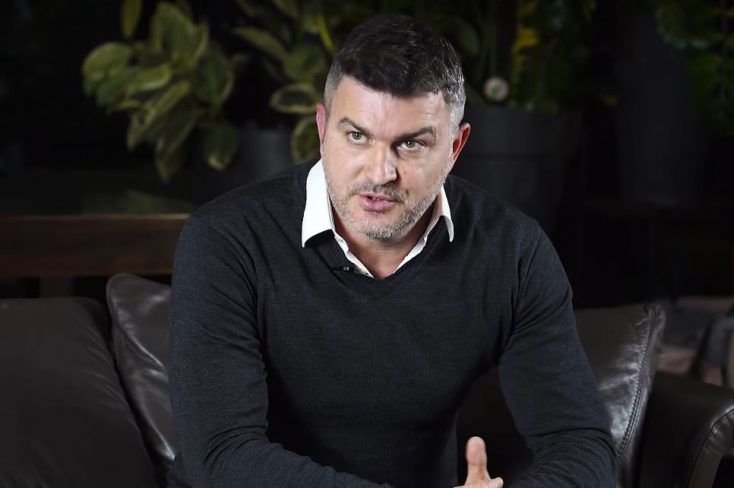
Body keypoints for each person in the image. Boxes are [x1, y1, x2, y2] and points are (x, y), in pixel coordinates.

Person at [168, 14, 616, 488]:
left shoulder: (513, 251)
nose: (380, 173)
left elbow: (582, 446)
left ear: (455, 147)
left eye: (411, 144)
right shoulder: (227, 240)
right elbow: (221, 454)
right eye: (357, 136)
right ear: (322, 128)